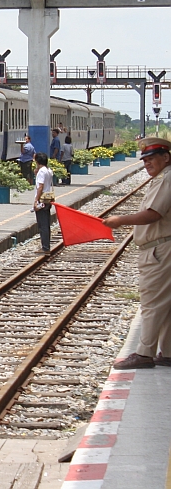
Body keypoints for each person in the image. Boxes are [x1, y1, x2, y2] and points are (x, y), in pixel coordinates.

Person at [105, 137, 171, 369]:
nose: (147, 164)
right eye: (145, 160)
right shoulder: (162, 178)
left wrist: (119, 220)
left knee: (152, 301)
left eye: (151, 159)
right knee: (165, 303)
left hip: (160, 250)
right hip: (161, 248)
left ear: (166, 157)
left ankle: (144, 353)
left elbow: (154, 214)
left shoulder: (166, 179)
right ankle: (168, 351)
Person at [32, 152, 54, 252]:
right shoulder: (49, 170)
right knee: (46, 223)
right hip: (48, 199)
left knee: (42, 224)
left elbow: (40, 187)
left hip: (42, 199)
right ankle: (46, 245)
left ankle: (45, 247)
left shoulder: (41, 172)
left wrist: (36, 201)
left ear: (38, 161)